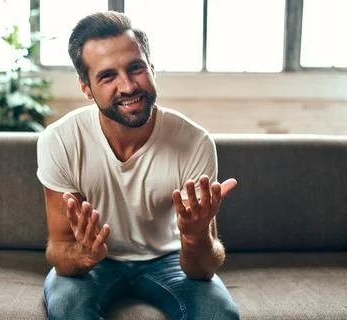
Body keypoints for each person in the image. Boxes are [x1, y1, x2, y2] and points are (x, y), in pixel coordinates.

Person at [36, 11, 240, 320]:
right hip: (98, 263)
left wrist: (196, 237)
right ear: (86, 88)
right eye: (107, 76)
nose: (129, 86)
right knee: (68, 307)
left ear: (152, 69)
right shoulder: (60, 141)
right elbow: (58, 249)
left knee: (219, 313)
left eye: (136, 68)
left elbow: (202, 270)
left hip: (168, 257)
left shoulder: (194, 142)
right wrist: (82, 254)